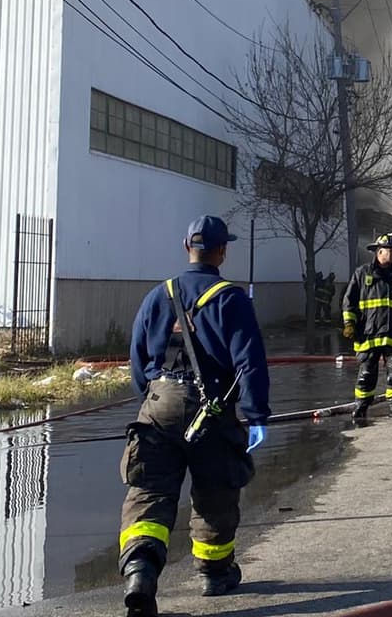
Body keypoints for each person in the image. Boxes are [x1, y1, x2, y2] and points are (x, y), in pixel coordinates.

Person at [118, 215, 269, 616]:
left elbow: (138, 360)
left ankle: (140, 573)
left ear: (187, 246)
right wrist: (256, 414)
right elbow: (249, 362)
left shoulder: (158, 295)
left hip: (158, 404)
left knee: (148, 493)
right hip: (212, 410)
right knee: (215, 492)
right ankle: (215, 574)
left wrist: (155, 399)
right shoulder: (231, 299)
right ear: (222, 251)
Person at [342, 233, 392, 420]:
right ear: (379, 252)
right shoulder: (362, 274)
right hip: (369, 333)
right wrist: (349, 323)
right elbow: (349, 301)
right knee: (366, 373)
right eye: (390, 250)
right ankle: (361, 407)